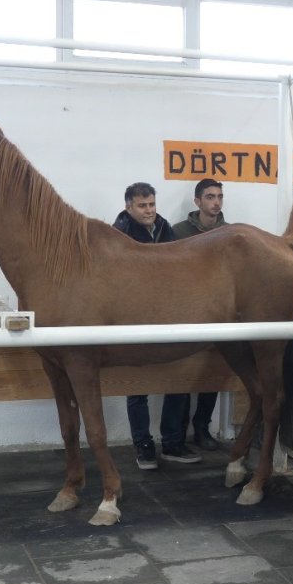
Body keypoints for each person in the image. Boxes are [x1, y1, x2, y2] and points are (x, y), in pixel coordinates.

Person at [112, 182, 177, 470]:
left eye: (152, 204)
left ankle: (173, 441)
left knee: (180, 377)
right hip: (133, 317)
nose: (150, 210)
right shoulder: (117, 235)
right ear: (129, 207)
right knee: (136, 386)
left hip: (168, 313)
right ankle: (143, 446)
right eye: (143, 205)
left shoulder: (165, 228)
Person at [165, 178, 228, 460]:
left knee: (211, 373)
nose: (216, 202)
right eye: (210, 196)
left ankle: (202, 428)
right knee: (180, 375)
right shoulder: (178, 232)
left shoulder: (231, 234)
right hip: (184, 312)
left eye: (219, 197)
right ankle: (175, 435)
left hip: (219, 312)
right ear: (197, 201)